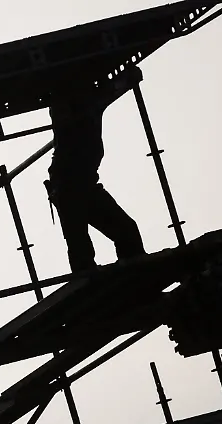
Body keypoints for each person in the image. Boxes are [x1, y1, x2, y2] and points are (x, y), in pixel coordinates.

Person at [45, 66, 147, 273]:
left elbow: (110, 91)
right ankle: (91, 278)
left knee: (127, 232)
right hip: (67, 186)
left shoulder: (90, 104)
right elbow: (65, 112)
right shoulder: (65, 105)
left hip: (85, 184)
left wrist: (126, 80)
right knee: (82, 251)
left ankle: (134, 276)